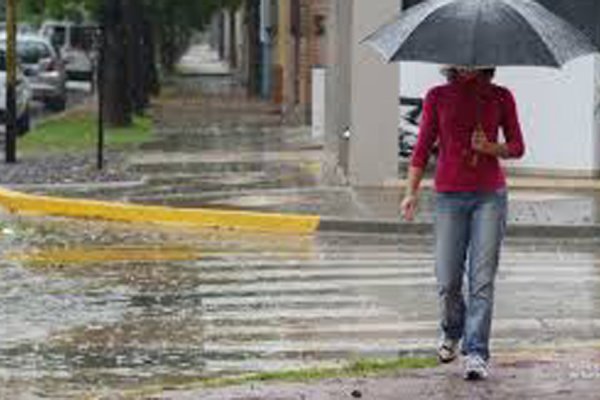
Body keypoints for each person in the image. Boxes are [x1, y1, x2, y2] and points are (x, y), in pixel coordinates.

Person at [400, 66, 525, 380]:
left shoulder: (500, 97)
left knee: (481, 280)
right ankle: (452, 331)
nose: (467, 65)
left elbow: (517, 146)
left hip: (489, 197)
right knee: (447, 280)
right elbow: (422, 147)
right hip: (448, 197)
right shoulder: (438, 97)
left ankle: (476, 352)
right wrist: (410, 192)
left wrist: (490, 148)